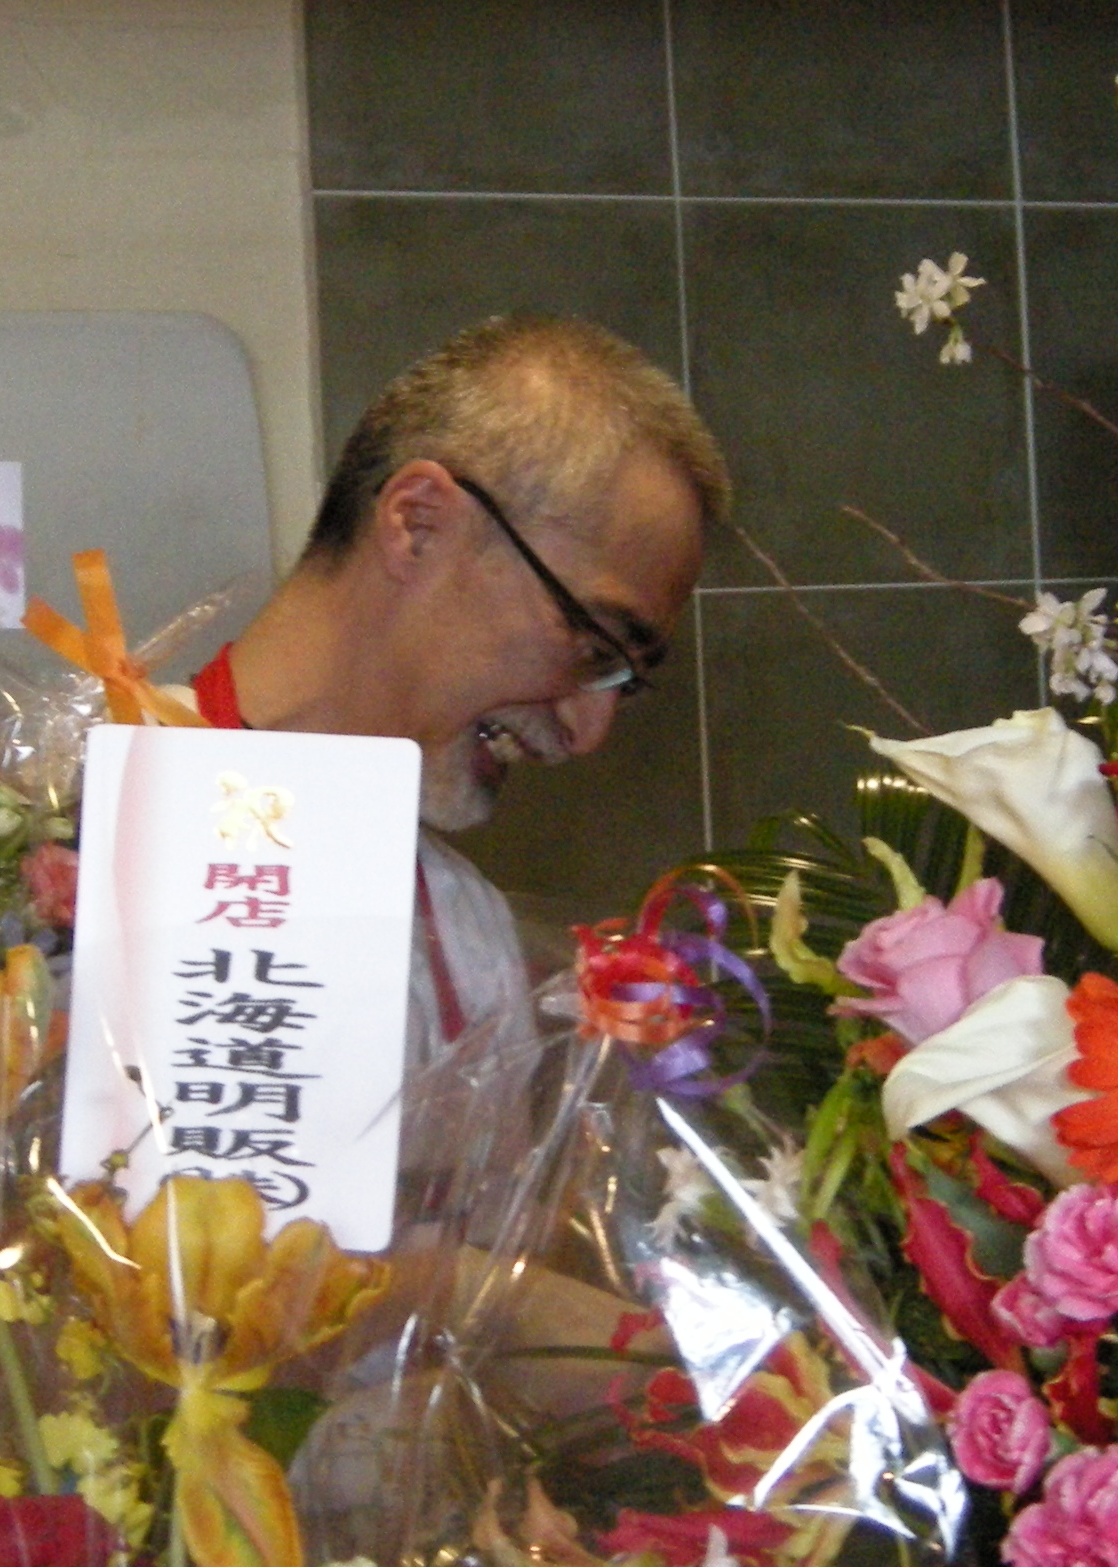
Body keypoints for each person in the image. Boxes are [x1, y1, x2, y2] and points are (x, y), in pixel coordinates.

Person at [186, 313, 728, 1060]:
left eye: (622, 682)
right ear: (418, 525)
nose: (588, 733)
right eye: (589, 643)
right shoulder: (71, 846)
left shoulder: (469, 934)